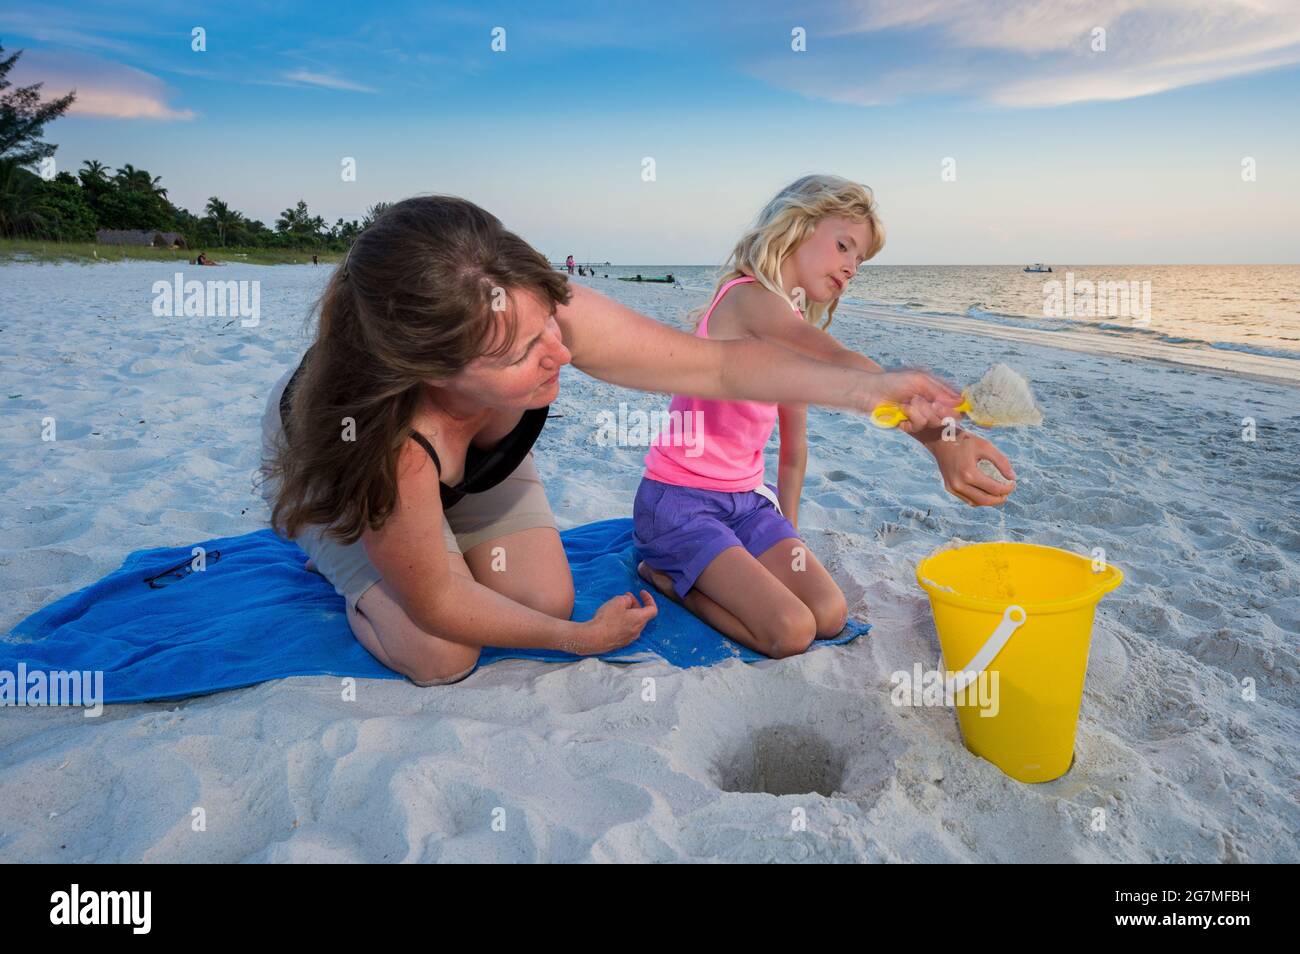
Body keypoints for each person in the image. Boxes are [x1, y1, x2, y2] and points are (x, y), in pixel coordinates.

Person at [259, 195, 977, 687]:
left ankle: (439, 528)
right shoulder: (388, 441)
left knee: (540, 597)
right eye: (521, 355)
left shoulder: (530, 313)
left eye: (549, 326)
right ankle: (343, 555)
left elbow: (724, 366)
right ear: (432, 373)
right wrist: (581, 640)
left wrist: (913, 414)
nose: (560, 355)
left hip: (480, 454)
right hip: (349, 466)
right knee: (442, 650)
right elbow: (445, 603)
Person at [633, 175, 1016, 658]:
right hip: (680, 502)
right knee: (791, 630)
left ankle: (724, 565)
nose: (852, 267)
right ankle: (664, 576)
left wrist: (786, 538)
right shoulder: (746, 300)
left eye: (860, 260)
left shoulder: (791, 333)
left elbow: (793, 453)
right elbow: (841, 362)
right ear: (795, 226)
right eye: (843, 246)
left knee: (829, 614)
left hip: (748, 503)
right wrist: (943, 436)